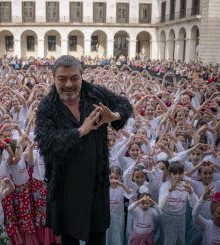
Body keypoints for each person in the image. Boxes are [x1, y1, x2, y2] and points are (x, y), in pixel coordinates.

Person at [35, 55, 132, 244]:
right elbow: (46, 143)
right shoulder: (47, 107)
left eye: (74, 78)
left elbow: (124, 104)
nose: (69, 84)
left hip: (97, 185)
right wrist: (80, 131)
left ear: (82, 76)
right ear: (53, 78)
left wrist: (114, 116)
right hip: (65, 189)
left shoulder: (95, 94)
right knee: (69, 240)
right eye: (62, 79)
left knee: (97, 238)